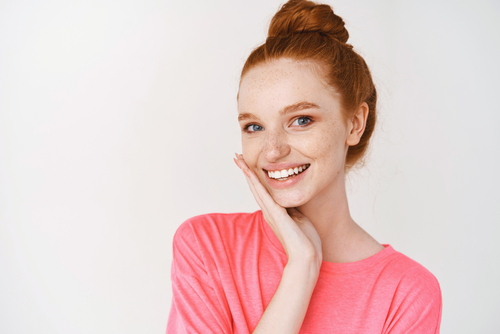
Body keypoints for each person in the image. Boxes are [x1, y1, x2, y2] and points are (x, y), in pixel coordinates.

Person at [166, 0, 442, 333]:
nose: (272, 150)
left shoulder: (406, 293)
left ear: (355, 123)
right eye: (254, 126)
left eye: (301, 120)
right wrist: (300, 270)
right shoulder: (206, 246)